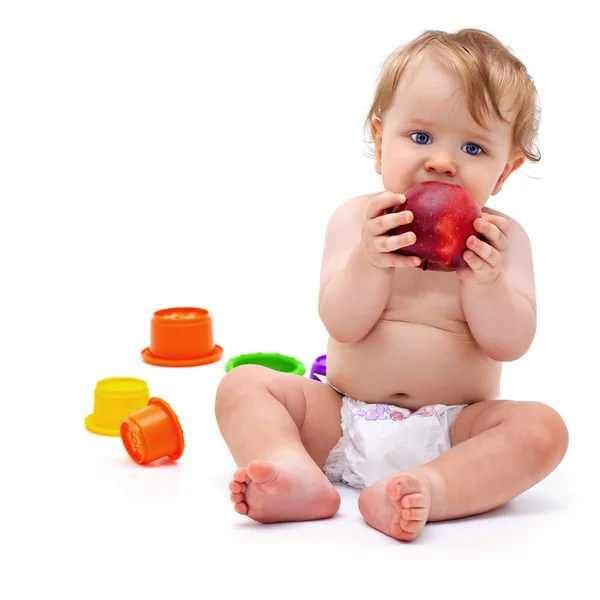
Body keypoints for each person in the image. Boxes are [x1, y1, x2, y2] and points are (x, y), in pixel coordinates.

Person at [214, 28, 569, 542]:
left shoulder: (501, 242)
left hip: (455, 429)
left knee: (544, 430)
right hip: (341, 419)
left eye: (473, 146)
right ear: (381, 142)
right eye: (420, 137)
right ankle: (293, 469)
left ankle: (428, 487)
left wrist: (484, 284)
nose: (443, 161)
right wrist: (369, 262)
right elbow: (341, 322)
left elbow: (509, 345)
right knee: (243, 385)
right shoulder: (356, 220)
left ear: (506, 171)